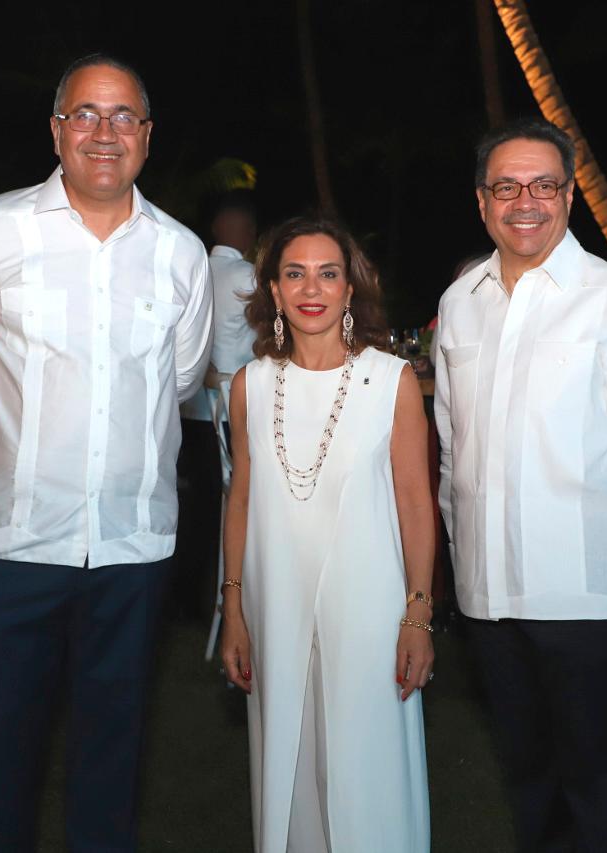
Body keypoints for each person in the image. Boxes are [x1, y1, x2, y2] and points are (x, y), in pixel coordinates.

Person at [0, 53, 212, 853]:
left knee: (112, 762)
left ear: (147, 136)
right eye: (85, 113)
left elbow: (178, 380)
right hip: (6, 547)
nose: (103, 132)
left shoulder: (182, 253)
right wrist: (10, 446)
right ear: (56, 129)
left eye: (123, 117)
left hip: (131, 547)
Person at [434, 117, 607, 852]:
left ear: (570, 196)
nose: (526, 201)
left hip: (584, 590)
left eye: (544, 184)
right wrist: (456, 565)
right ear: (482, 202)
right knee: (526, 773)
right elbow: (453, 448)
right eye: (507, 185)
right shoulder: (459, 302)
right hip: (488, 591)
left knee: (596, 775)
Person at [220, 218, 434, 852]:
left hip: (368, 605)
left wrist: (418, 614)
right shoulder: (249, 385)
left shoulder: (391, 381)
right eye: (294, 273)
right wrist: (233, 607)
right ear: (275, 291)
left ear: (350, 288)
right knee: (289, 754)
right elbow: (241, 499)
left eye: (327, 272)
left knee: (364, 761)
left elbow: (417, 504)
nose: (311, 287)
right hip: (273, 599)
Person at [175, 189, 259, 616]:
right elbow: (269, 339)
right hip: (230, 409)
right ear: (246, 232)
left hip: (191, 407)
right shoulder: (247, 276)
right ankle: (229, 594)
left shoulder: (193, 268)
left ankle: (189, 596)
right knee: (229, 504)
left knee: (197, 503)